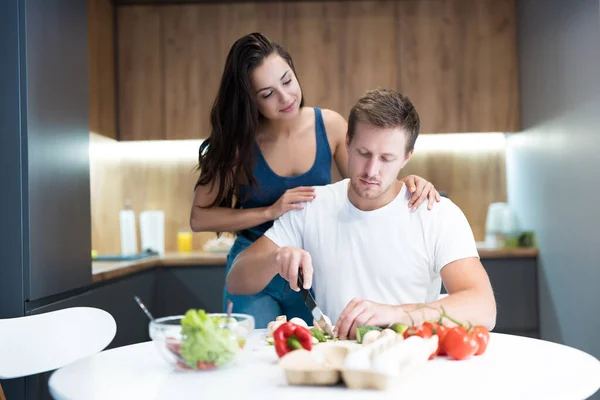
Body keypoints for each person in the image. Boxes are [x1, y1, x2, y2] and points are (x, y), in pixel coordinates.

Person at [190, 32, 441, 329]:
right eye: (268, 94)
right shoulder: (237, 145)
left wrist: (408, 182)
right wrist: (269, 212)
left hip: (309, 271)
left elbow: (369, 183)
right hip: (256, 270)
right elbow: (199, 218)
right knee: (257, 358)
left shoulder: (330, 126)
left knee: (312, 350)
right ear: (250, 100)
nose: (285, 98)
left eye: (287, 81)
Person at [226, 88, 497, 339]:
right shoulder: (312, 206)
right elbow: (236, 280)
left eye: (386, 159)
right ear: (347, 143)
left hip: (409, 360)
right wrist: (275, 258)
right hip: (336, 363)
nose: (371, 171)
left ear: (407, 157)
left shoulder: (434, 213)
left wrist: (396, 314)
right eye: (363, 153)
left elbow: (484, 308)